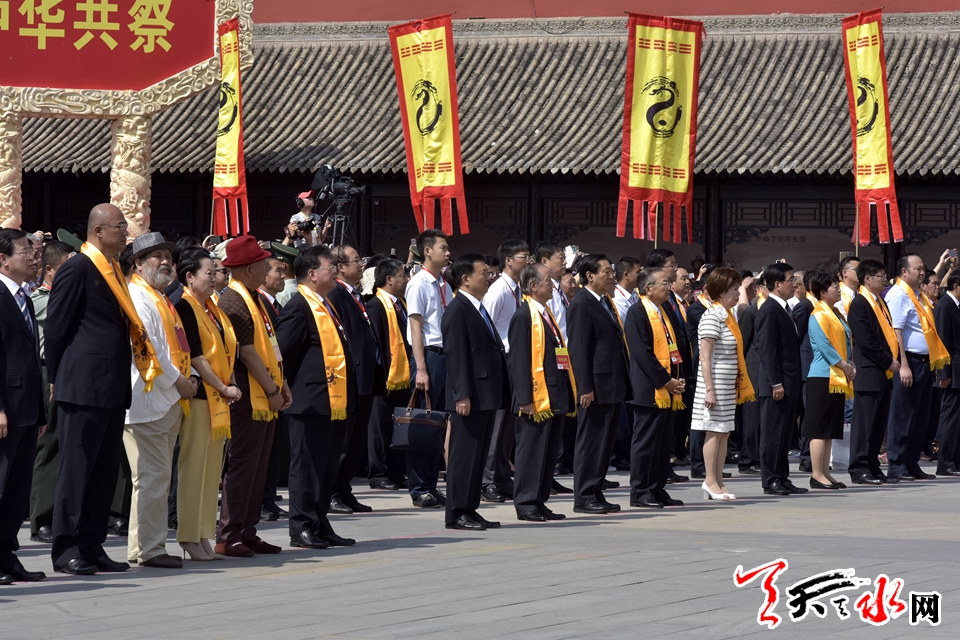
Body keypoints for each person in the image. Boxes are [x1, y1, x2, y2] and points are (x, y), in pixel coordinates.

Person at [46, 204, 159, 575]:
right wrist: (56, 377)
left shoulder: (112, 269)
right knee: (77, 471)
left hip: (111, 387)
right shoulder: (78, 268)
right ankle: (66, 548)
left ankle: (92, 545)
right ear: (98, 231)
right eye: (120, 226)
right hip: (81, 386)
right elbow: (56, 328)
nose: (126, 232)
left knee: (104, 472)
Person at [124, 232, 198, 569]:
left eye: (168, 256)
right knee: (153, 479)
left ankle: (140, 547)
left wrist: (189, 377)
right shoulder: (138, 296)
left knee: (151, 480)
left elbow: (176, 346)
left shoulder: (159, 297)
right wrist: (180, 380)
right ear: (139, 264)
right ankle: (152, 549)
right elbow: (150, 347)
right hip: (149, 399)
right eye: (157, 256)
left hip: (167, 400)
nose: (166, 262)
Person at [276, 245, 358, 549]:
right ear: (312, 274)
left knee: (325, 468)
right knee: (306, 468)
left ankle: (321, 523)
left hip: (332, 402)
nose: (335, 272)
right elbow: (284, 354)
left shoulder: (326, 303)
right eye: (330, 267)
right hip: (309, 402)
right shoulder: (299, 306)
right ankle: (301, 527)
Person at [216, 236, 292, 557]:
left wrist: (281, 384)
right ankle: (228, 534)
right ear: (249, 269)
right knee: (244, 465)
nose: (269, 268)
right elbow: (246, 353)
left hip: (265, 389)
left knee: (259, 466)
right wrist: (272, 389)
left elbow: (269, 346)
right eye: (263, 263)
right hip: (249, 394)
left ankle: (247, 531)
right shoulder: (234, 301)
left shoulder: (253, 297)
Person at [173, 249, 241, 561]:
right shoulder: (184, 306)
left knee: (211, 472)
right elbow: (196, 356)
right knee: (193, 468)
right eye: (208, 273)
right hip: (201, 397)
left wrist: (228, 385)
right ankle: (188, 535)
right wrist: (223, 386)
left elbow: (226, 350)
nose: (215, 278)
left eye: (216, 273)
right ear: (189, 277)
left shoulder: (212, 307)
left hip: (220, 397)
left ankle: (203, 534)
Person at [441, 254, 509, 530]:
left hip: (486, 393)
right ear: (465, 279)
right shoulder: (458, 309)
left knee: (478, 456)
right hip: (470, 395)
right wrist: (461, 394)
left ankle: (470, 508)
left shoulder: (477, 307)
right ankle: (457, 512)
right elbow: (456, 355)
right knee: (464, 457)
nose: (489, 277)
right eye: (484, 273)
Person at [507, 264, 574, 522]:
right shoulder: (524, 315)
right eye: (548, 281)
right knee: (531, 452)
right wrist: (525, 398)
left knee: (547, 452)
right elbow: (518, 360)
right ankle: (526, 502)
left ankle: (539, 500)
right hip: (535, 397)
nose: (553, 286)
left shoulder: (546, 314)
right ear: (533, 286)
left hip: (554, 393)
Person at [0, 229, 47, 584]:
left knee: (17, 489)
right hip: (6, 408)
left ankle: (6, 555)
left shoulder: (24, 298)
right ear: (3, 259)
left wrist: (40, 410)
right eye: (24, 252)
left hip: (27, 407)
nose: (32, 258)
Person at [567, 254, 629, 514]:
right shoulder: (581, 303)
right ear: (590, 275)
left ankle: (595, 491)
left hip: (611, 384)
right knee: (591, 442)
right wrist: (585, 387)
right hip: (595, 385)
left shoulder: (604, 301)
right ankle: (584, 496)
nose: (612, 276)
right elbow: (579, 349)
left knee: (604, 443)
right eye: (606, 272)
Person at [327, 245, 384, 514]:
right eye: (356, 261)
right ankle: (331, 492)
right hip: (350, 377)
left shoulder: (354, 293)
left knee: (355, 440)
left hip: (366, 377)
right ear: (340, 267)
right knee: (342, 441)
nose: (361, 265)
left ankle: (344, 488)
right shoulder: (336, 294)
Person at [623, 268, 686, 509]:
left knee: (662, 443)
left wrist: (678, 377)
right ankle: (641, 492)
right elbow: (642, 353)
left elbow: (673, 347)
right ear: (648, 288)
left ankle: (657, 488)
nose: (669, 287)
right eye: (664, 283)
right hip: (650, 388)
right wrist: (665, 381)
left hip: (669, 386)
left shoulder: (664, 310)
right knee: (646, 443)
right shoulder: (637, 311)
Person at [885, 253, 949, 481]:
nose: (922, 273)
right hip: (909, 361)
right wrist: (903, 364)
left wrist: (942, 265)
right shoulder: (898, 295)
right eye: (918, 269)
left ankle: (912, 463)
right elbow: (897, 332)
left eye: (923, 269)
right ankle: (897, 465)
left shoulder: (917, 295)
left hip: (925, 362)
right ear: (904, 272)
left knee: (920, 417)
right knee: (903, 416)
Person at [691, 267, 750, 501]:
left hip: (727, 386)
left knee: (724, 432)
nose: (738, 294)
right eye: (735, 289)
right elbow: (705, 357)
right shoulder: (711, 316)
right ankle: (710, 481)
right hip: (714, 385)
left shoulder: (728, 316)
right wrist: (710, 390)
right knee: (714, 432)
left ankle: (718, 481)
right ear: (722, 291)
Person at [29, 241, 74, 545]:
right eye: (67, 268)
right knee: (49, 445)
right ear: (49, 270)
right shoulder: (40, 300)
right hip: (47, 372)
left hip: (66, 372)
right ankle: (42, 518)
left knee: (65, 445)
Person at [480, 239, 531, 502]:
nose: (528, 261)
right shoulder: (498, 290)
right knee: (497, 424)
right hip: (502, 361)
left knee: (509, 424)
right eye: (523, 257)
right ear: (508, 261)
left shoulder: (518, 289)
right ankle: (487, 479)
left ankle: (501, 476)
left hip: (515, 361)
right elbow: (485, 327)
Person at [406, 229, 451, 508]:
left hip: (444, 357)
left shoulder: (443, 284)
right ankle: (419, 487)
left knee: (437, 423)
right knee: (422, 420)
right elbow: (416, 328)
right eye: (443, 248)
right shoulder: (419, 284)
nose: (448, 253)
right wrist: (421, 368)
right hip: (428, 356)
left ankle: (432, 485)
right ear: (427, 251)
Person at [754, 262, 808, 496]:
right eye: (790, 279)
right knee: (773, 434)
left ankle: (782, 477)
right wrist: (775, 382)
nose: (794, 284)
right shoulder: (768, 310)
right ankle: (771, 480)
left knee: (785, 434)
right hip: (776, 384)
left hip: (789, 382)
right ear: (777, 284)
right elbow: (767, 350)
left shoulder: (785, 308)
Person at [847, 259, 900, 485]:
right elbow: (866, 341)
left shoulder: (880, 301)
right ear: (867, 279)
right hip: (870, 371)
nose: (885, 279)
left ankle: (872, 465)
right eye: (880, 275)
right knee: (864, 424)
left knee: (878, 424)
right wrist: (888, 361)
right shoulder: (860, 303)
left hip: (884, 372)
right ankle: (859, 468)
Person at [803, 271, 854, 490]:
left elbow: (847, 342)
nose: (838, 289)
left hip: (838, 376)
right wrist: (844, 364)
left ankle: (825, 472)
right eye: (834, 286)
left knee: (830, 429)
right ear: (823, 292)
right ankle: (817, 474)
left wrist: (850, 363)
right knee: (819, 428)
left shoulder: (836, 313)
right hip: (822, 376)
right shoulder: (818, 315)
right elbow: (825, 346)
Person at [366, 259, 411, 490]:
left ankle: (396, 471)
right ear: (389, 279)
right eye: (402, 275)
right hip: (385, 377)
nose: (406, 279)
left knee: (399, 424)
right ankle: (378, 473)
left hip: (404, 376)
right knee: (380, 426)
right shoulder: (375, 305)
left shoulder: (402, 304)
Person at [935, 272, 960, 476]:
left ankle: (956, 459)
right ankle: (946, 461)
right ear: (956, 286)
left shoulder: (955, 306)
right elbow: (942, 340)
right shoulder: (944, 306)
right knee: (950, 416)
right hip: (952, 370)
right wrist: (944, 372)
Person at [613, 256, 641, 325]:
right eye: (638, 272)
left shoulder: (635, 293)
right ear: (627, 275)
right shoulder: (616, 298)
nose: (641, 275)